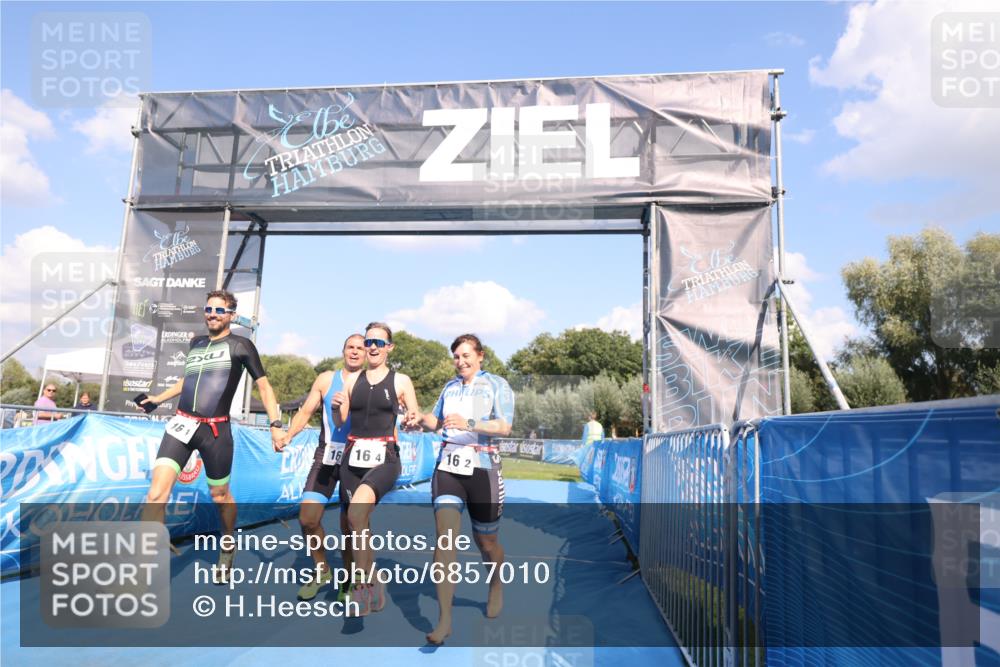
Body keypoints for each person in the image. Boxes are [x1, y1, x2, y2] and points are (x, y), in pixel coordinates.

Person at [137, 290, 283, 584]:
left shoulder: (241, 346)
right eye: (209, 309)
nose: (212, 314)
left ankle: (227, 543)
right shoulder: (196, 343)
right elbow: (186, 380)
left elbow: (264, 388)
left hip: (214, 432)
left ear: (231, 315)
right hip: (181, 425)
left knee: (220, 496)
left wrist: (276, 423)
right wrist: (157, 398)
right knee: (156, 493)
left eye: (219, 310)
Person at [408, 333, 515, 645]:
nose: (461, 361)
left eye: (466, 355)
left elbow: (504, 426)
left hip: (483, 469)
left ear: (480, 356)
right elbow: (437, 421)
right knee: (445, 539)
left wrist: (470, 422)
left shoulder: (497, 384)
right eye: (456, 356)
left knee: (487, 542)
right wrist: (419, 420)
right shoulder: (450, 387)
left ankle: (495, 582)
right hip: (448, 468)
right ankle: (444, 620)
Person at [334, 322, 419, 616]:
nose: (372, 347)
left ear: (389, 348)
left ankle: (360, 587)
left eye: (379, 343)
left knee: (357, 514)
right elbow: (339, 421)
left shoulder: (401, 380)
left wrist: (411, 418)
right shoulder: (351, 379)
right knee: (357, 524)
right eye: (369, 341)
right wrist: (335, 408)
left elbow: (413, 412)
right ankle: (374, 580)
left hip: (384, 456)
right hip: (352, 458)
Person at [282, 333, 366, 601]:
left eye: (360, 348)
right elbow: (306, 412)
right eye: (350, 347)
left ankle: (350, 579)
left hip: (357, 459)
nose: (354, 352)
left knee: (349, 525)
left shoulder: (370, 383)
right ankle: (322, 570)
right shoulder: (326, 379)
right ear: (343, 351)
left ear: (367, 354)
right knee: (307, 518)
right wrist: (287, 435)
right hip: (327, 453)